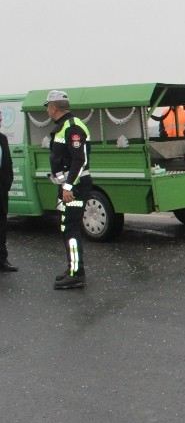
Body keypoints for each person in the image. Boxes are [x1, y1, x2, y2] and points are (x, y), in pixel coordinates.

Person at [45, 90, 91, 289]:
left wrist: (68, 186)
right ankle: (72, 268)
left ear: (53, 107)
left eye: (47, 106)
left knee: (71, 229)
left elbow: (80, 160)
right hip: (67, 187)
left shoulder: (72, 128)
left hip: (74, 188)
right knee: (66, 227)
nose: (47, 109)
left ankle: (77, 274)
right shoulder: (63, 127)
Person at [0, 127, 17, 272]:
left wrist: (7, 182)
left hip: (1, 189)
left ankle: (2, 259)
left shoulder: (2, 138)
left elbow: (7, 163)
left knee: (2, 224)